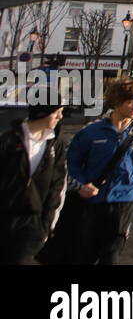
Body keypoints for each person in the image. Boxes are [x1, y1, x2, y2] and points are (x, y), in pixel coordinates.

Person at [65, 79, 133, 265]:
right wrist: (80, 184)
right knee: (84, 255)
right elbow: (71, 161)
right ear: (117, 102)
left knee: (111, 256)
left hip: (123, 203)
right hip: (91, 203)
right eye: (130, 101)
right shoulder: (92, 131)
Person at [0, 104, 68, 264]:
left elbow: (57, 186)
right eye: (57, 112)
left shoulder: (55, 144)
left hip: (31, 225)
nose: (60, 117)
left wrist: (46, 227)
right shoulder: (7, 140)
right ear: (42, 113)